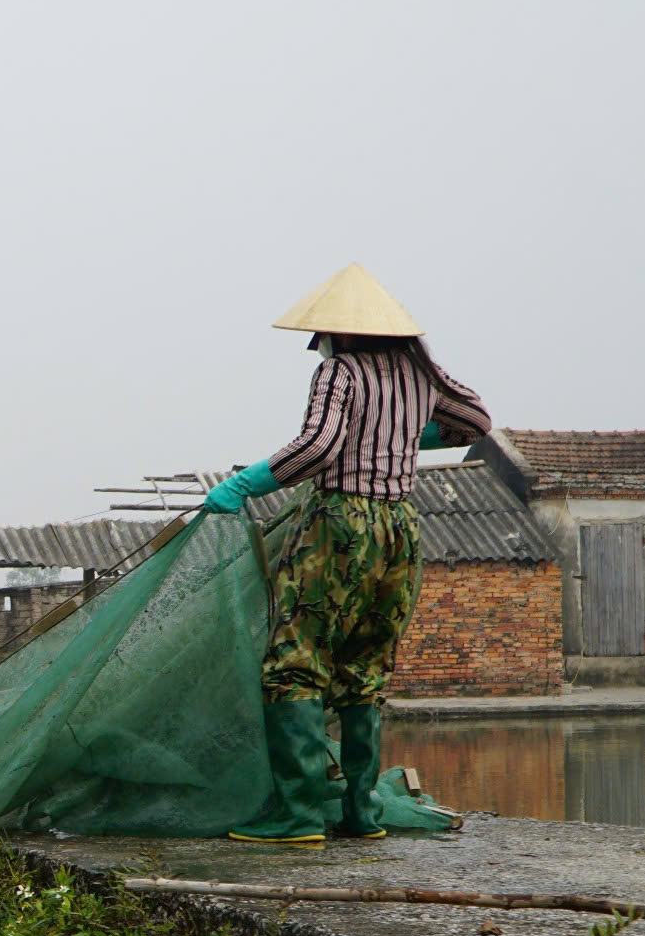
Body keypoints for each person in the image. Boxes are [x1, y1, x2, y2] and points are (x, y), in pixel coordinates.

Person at [201, 264, 491, 843]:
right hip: (400, 528)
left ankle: (299, 815)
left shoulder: (338, 373)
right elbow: (476, 421)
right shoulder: (420, 374)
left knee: (294, 661)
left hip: (343, 524)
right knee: (364, 665)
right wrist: (405, 435)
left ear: (341, 332)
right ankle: (363, 813)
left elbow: (318, 446)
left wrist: (248, 483)